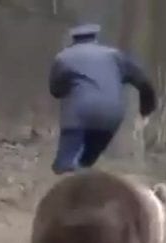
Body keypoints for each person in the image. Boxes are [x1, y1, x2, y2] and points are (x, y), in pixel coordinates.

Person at [48, 23, 157, 174]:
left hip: (78, 115)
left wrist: (70, 87)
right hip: (111, 116)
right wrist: (145, 111)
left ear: (73, 39)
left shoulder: (63, 58)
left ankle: (69, 186)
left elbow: (55, 91)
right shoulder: (115, 56)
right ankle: (85, 187)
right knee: (84, 164)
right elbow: (143, 81)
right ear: (95, 38)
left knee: (65, 166)